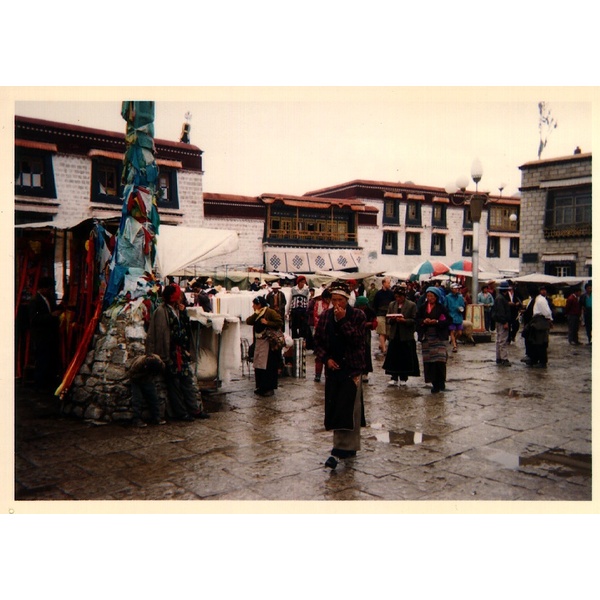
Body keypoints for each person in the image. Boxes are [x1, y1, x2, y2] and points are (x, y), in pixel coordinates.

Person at [314, 281, 367, 470]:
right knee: (337, 408)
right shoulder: (325, 316)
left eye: (340, 300)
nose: (336, 303)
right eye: (333, 299)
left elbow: (358, 340)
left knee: (350, 409)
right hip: (334, 369)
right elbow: (318, 341)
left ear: (347, 300)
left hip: (352, 368)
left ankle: (339, 450)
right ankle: (344, 447)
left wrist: (344, 320)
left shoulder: (358, 316)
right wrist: (326, 358)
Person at [146, 284, 210, 421]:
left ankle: (194, 410)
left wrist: (184, 314)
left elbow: (185, 328)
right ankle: (181, 413)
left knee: (187, 382)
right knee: (174, 384)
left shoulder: (178, 310)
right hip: (170, 353)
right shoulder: (161, 312)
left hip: (182, 353)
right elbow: (158, 334)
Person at [28, 276, 64, 389]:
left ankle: (48, 382)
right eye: (48, 288)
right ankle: (40, 385)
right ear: (42, 288)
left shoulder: (49, 298)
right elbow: (34, 319)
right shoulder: (35, 301)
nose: (49, 290)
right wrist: (51, 316)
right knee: (42, 360)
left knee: (49, 359)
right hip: (41, 335)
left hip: (49, 335)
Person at [245, 295, 284, 397]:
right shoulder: (258, 313)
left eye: (254, 304)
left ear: (259, 304)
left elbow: (279, 322)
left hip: (268, 343)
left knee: (268, 366)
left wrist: (268, 322)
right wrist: (256, 314)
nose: (253, 306)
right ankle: (261, 387)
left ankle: (269, 388)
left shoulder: (270, 312)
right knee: (259, 365)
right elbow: (248, 321)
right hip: (259, 343)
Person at [383, 285, 420, 386]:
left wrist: (404, 321)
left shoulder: (411, 305)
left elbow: (414, 320)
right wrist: (392, 319)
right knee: (393, 356)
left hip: (405, 335)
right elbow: (387, 318)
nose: (398, 299)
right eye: (396, 297)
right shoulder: (392, 305)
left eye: (400, 297)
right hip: (394, 334)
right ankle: (394, 377)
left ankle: (404, 377)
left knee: (405, 357)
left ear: (404, 296)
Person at [416, 286, 450, 393]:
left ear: (436, 297)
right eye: (428, 296)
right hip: (427, 337)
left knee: (440, 360)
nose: (429, 298)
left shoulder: (441, 308)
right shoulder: (422, 307)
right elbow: (417, 319)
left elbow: (449, 320)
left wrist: (437, 322)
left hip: (438, 337)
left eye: (432, 296)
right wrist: (423, 321)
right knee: (430, 361)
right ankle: (434, 383)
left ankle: (441, 381)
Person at [129, 353, 166, 427]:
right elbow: (132, 375)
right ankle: (136, 420)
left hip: (149, 380)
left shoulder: (159, 363)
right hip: (136, 380)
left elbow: (161, 371)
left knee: (154, 398)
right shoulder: (139, 363)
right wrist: (144, 374)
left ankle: (156, 417)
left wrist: (151, 376)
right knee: (137, 399)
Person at [527, 285, 553, 368]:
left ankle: (542, 361)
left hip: (540, 321)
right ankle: (536, 359)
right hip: (538, 321)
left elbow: (547, 312)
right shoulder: (539, 299)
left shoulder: (540, 300)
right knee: (537, 342)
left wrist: (549, 320)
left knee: (540, 343)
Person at [354, 295, 377, 383]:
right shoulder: (354, 311)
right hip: (355, 333)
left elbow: (375, 323)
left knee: (366, 352)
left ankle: (365, 372)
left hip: (366, 334)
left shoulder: (370, 311)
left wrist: (369, 324)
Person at [312, 289, 332, 382]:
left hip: (331, 333)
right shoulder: (318, 304)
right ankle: (318, 374)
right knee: (319, 356)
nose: (328, 300)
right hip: (320, 332)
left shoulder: (334, 304)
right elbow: (315, 317)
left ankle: (328, 375)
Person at [491, 281, 512, 366]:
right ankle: (504, 358)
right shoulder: (501, 299)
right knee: (503, 340)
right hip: (502, 321)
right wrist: (505, 322)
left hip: (499, 321)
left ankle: (499, 357)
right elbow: (501, 312)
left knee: (499, 340)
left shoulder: (499, 297)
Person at [372, 277, 395, 357]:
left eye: (389, 283)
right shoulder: (378, 293)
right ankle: (384, 348)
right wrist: (375, 314)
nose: (389, 284)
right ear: (383, 283)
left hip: (389, 315)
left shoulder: (391, 293)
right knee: (382, 332)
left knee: (387, 332)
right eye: (388, 283)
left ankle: (382, 345)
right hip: (380, 314)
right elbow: (375, 304)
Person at [289, 275, 310, 340]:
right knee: (294, 325)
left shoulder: (306, 290)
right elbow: (290, 300)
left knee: (303, 326)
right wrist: (288, 311)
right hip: (295, 310)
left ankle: (302, 339)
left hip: (303, 310)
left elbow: (308, 301)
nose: (303, 284)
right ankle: (294, 339)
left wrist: (307, 310)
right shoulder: (293, 289)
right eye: (301, 282)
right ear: (298, 282)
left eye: (304, 282)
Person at [446, 283, 465, 353]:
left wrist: (461, 308)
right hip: (451, 316)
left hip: (459, 316)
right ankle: (454, 346)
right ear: (451, 289)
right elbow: (445, 306)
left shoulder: (460, 297)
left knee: (460, 332)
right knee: (452, 331)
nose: (457, 289)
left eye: (457, 288)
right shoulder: (447, 297)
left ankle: (454, 340)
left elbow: (463, 305)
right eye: (455, 288)